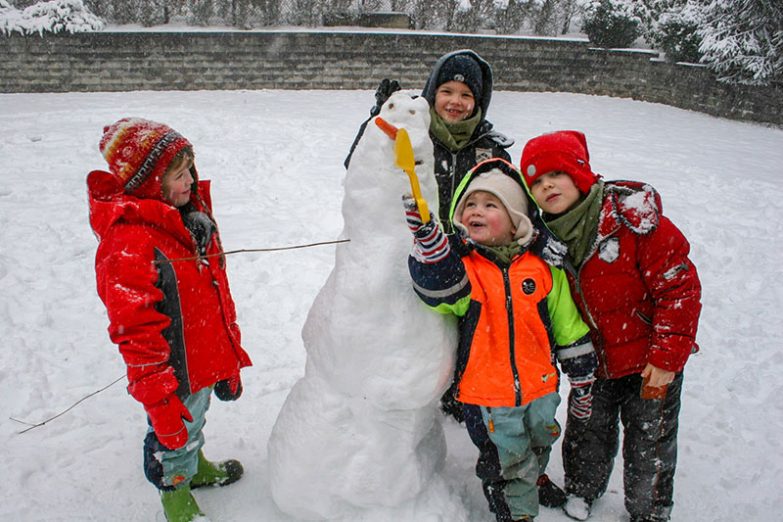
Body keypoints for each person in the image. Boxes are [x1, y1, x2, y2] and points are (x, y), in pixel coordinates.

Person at [519, 130, 702, 522]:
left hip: (649, 361)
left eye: (556, 174)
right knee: (588, 432)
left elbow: (679, 287)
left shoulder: (632, 223)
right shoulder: (544, 242)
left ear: (580, 174)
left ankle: (650, 510)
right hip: (594, 362)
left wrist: (668, 356)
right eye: (535, 180)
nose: (546, 185)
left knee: (650, 441)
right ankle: (583, 490)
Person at [405, 157, 598, 522]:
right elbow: (441, 293)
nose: (476, 211)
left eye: (490, 205)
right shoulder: (466, 269)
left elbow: (568, 326)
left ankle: (534, 474)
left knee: (540, 439)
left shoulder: (543, 269)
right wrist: (432, 247)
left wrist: (583, 376)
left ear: (516, 222)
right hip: (487, 397)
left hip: (541, 387)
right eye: (470, 205)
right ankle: (513, 510)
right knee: (501, 459)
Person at [87, 117, 253, 522]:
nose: (190, 184)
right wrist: (159, 397)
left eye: (190, 172)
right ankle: (175, 495)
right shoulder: (128, 242)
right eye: (178, 176)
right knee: (172, 434)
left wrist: (228, 351)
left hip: (202, 356)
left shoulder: (187, 217)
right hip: (172, 368)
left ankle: (193, 469)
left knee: (195, 420)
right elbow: (136, 332)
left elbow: (216, 291)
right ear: (148, 184)